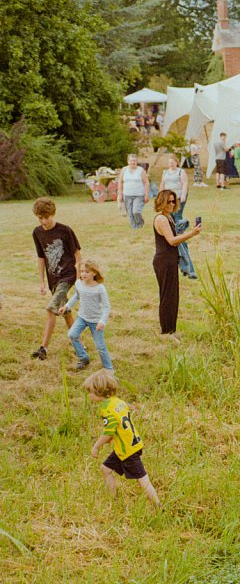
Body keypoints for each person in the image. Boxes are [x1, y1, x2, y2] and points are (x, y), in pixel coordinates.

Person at [85, 369, 159, 509]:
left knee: (143, 480)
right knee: (105, 468)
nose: (89, 395)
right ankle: (113, 502)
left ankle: (159, 507)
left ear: (99, 391)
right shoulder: (118, 402)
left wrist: (96, 446)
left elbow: (109, 432)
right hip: (129, 445)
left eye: (90, 392)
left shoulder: (107, 409)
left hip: (128, 451)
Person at [31, 197, 81, 360]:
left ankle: (43, 348)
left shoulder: (65, 230)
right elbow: (40, 258)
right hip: (53, 278)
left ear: (53, 214)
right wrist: (41, 282)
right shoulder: (37, 233)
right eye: (40, 218)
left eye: (46, 217)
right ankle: (78, 343)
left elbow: (77, 253)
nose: (44, 221)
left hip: (67, 275)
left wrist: (79, 277)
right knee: (65, 311)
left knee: (51, 308)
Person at [152, 190, 201, 340]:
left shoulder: (169, 217)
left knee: (173, 297)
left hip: (170, 260)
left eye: (174, 201)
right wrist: (192, 234)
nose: (172, 204)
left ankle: (171, 330)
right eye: (169, 202)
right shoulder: (161, 219)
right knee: (167, 297)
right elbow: (172, 241)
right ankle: (166, 332)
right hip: (164, 261)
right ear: (161, 202)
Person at [59, 260, 113, 372]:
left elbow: (107, 307)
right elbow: (76, 296)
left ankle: (109, 369)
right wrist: (67, 306)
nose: (83, 274)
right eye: (82, 271)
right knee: (72, 335)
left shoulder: (100, 288)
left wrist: (102, 322)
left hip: (96, 321)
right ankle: (83, 358)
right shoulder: (79, 284)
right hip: (82, 318)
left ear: (94, 273)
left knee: (100, 346)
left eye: (86, 272)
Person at [117, 154, 149, 229]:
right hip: (127, 194)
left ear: (137, 161)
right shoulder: (124, 170)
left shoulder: (141, 170)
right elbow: (120, 182)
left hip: (139, 195)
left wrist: (146, 194)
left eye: (134, 161)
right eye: (131, 161)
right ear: (128, 161)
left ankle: (140, 223)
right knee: (130, 213)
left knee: (136, 211)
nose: (133, 162)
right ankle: (134, 228)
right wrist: (120, 194)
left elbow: (146, 182)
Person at [159, 156, 189, 224]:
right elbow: (162, 184)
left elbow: (184, 183)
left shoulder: (181, 171)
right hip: (168, 197)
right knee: (170, 214)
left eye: (172, 163)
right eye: (169, 163)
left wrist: (183, 195)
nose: (171, 164)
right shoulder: (165, 172)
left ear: (176, 163)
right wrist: (160, 195)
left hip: (178, 196)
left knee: (177, 214)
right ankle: (173, 231)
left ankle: (180, 230)